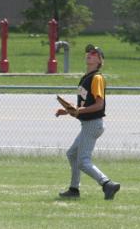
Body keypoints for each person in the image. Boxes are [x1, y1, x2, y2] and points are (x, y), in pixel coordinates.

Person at [55, 44, 120, 200]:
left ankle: (107, 184)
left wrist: (78, 111)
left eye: (94, 53)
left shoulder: (97, 78)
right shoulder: (86, 78)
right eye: (88, 52)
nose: (89, 54)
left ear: (99, 60)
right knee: (72, 154)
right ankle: (74, 189)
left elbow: (99, 105)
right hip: (88, 123)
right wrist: (69, 110)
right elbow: (84, 106)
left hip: (93, 124)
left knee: (83, 161)